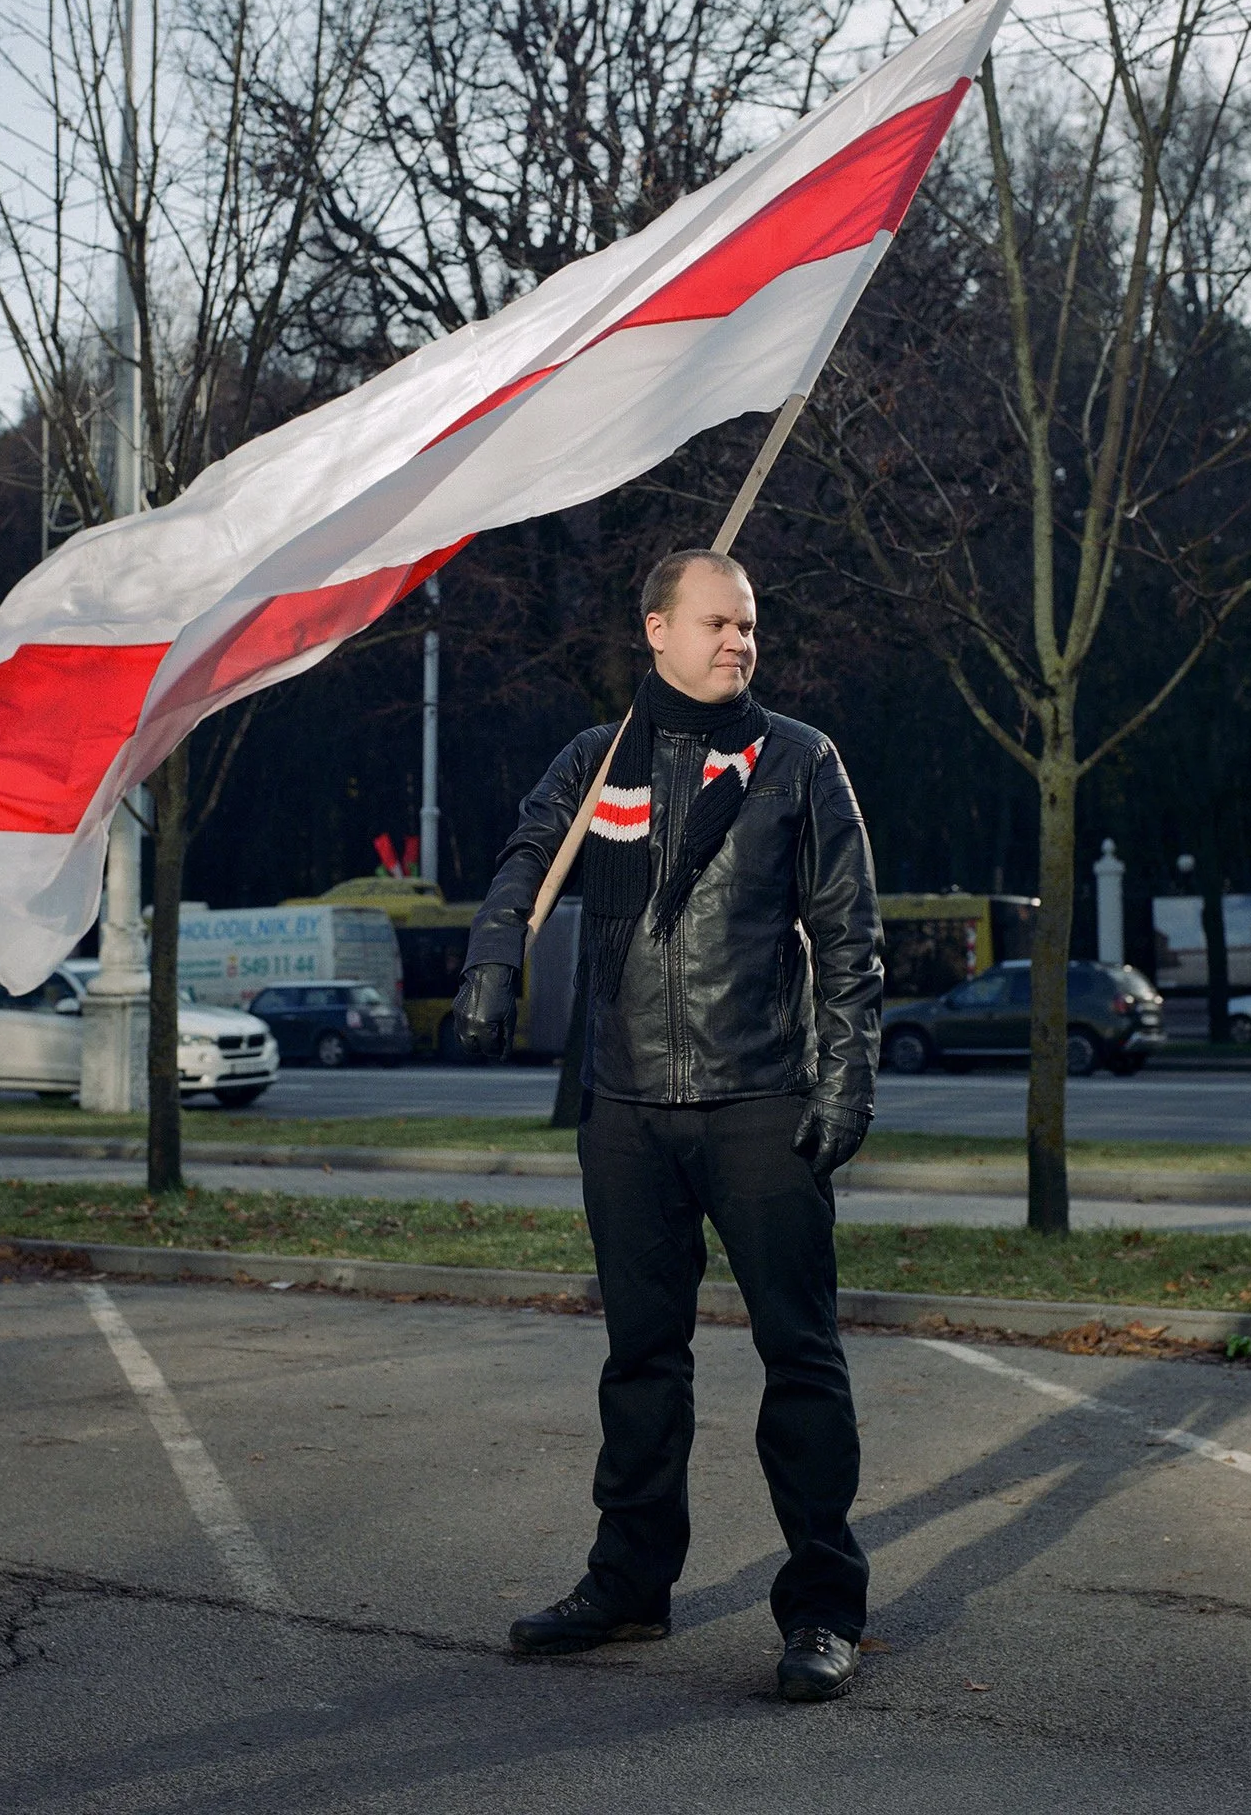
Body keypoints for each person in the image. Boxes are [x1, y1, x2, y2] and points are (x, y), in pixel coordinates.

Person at [452, 548, 882, 1703]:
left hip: (759, 1108)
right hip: (628, 1113)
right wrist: (494, 960)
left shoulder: (798, 762)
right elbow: (523, 859)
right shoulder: (598, 762)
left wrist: (844, 1085)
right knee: (640, 1363)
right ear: (655, 630)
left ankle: (824, 1609)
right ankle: (629, 1587)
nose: (738, 642)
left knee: (800, 1360)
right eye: (715, 623)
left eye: (747, 625)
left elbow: (849, 940)